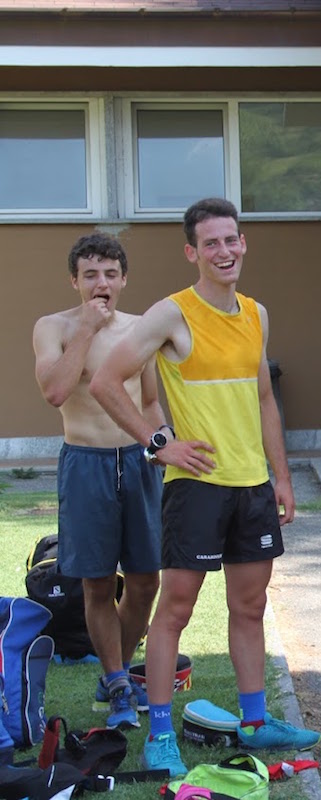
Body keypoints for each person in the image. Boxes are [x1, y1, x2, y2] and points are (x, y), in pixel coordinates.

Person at [90, 197, 321, 777]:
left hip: (252, 486)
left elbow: (264, 399)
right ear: (192, 252)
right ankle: (160, 733)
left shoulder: (256, 313)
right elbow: (105, 380)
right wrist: (157, 442)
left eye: (231, 240)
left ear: (244, 244)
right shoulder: (171, 313)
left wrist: (281, 476)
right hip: (196, 486)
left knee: (250, 606)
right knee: (175, 610)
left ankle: (255, 721)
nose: (224, 251)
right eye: (210, 243)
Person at [32, 233, 164, 730]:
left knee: (146, 580)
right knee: (98, 582)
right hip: (86, 462)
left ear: (124, 279)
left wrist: (162, 446)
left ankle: (116, 674)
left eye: (110, 274)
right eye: (90, 274)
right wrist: (86, 329)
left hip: (138, 460)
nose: (101, 283)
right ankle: (117, 682)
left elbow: (150, 402)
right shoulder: (54, 327)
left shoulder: (141, 329)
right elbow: (55, 390)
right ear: (75, 280)